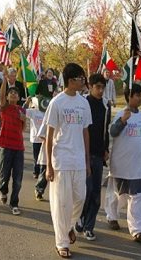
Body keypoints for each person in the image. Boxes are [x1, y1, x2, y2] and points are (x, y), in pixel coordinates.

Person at [45, 63, 92, 259]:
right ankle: (62, 242)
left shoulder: (84, 103)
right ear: (71, 80)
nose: (83, 81)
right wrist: (48, 165)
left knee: (80, 198)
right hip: (61, 160)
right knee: (61, 203)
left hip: (79, 161)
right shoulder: (57, 102)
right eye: (81, 78)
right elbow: (49, 135)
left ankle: (70, 226)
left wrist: (87, 161)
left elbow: (85, 132)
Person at [105, 83, 141, 243]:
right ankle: (112, 216)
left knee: (138, 196)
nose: (140, 98)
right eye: (137, 95)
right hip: (120, 163)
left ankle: (137, 230)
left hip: (138, 165)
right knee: (119, 194)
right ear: (129, 97)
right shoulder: (121, 114)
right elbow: (113, 132)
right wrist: (123, 121)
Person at [76, 73, 111, 241]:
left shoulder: (106, 105)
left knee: (96, 193)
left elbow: (106, 129)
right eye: (97, 87)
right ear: (90, 87)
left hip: (98, 154)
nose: (100, 90)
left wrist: (106, 148)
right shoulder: (82, 103)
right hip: (82, 153)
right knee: (86, 192)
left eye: (103, 87)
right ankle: (80, 217)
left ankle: (89, 226)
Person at [0, 68, 26, 215]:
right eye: (11, 93)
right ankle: (3, 190)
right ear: (8, 97)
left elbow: (23, 129)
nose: (13, 94)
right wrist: (4, 80)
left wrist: (23, 119)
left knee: (18, 178)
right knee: (4, 175)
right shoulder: (4, 107)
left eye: (15, 93)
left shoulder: (22, 110)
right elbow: (1, 95)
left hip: (19, 147)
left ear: (19, 97)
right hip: (7, 147)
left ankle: (14, 203)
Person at [24, 97, 45, 180]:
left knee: (44, 157)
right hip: (35, 139)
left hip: (44, 139)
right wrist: (26, 102)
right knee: (36, 157)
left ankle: (42, 172)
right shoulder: (33, 112)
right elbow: (22, 111)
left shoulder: (47, 111)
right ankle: (36, 172)